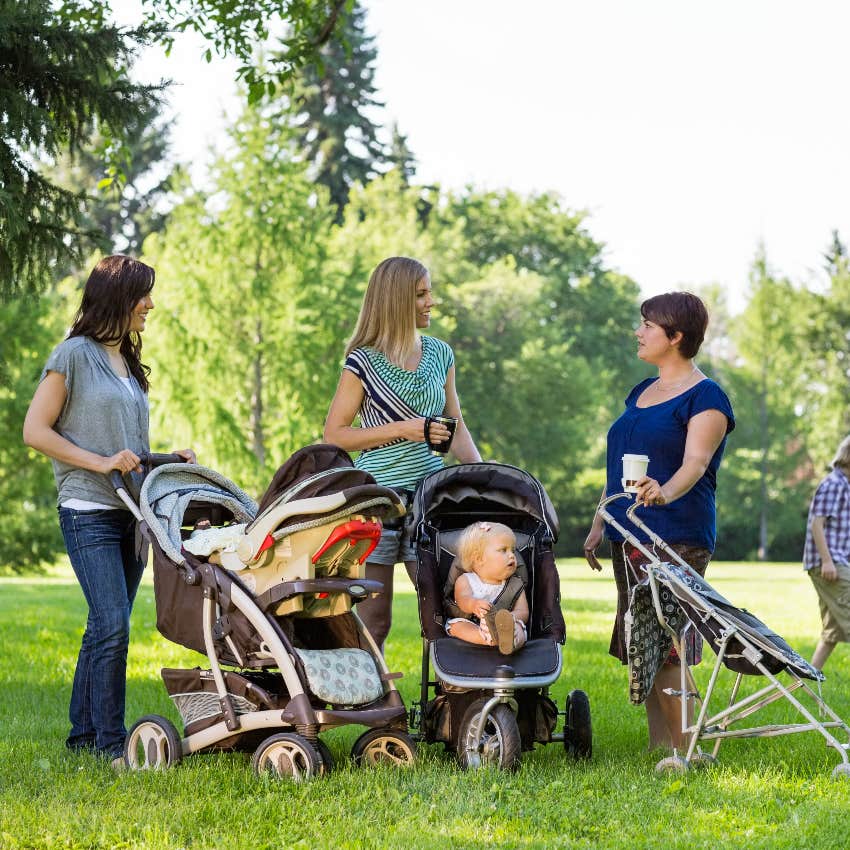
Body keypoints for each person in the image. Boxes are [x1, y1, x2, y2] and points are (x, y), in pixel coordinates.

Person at [23, 255, 196, 766]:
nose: (150, 305)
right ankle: (109, 742)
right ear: (116, 297)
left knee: (106, 624)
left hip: (131, 510)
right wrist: (98, 462)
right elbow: (36, 431)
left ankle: (81, 737)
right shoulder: (72, 354)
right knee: (112, 623)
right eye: (142, 294)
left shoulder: (126, 360)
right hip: (87, 507)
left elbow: (125, 446)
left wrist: (168, 456)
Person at [583, 291, 735, 752]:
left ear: (676, 336)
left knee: (670, 642)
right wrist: (600, 519)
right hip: (628, 532)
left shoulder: (707, 397)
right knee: (640, 640)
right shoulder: (641, 392)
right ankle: (659, 747)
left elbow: (695, 463)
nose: (639, 332)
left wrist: (663, 491)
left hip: (676, 534)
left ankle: (688, 749)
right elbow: (620, 469)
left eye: (648, 325)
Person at [323, 256, 481, 650]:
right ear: (396, 300)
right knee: (376, 620)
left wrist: (482, 476)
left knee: (444, 610)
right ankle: (375, 704)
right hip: (376, 502)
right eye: (421, 294)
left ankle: (449, 702)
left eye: (430, 292)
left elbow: (455, 424)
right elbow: (334, 436)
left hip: (430, 499)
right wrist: (404, 430)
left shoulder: (441, 354)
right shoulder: (362, 362)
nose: (432, 302)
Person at [444, 521, 528, 655]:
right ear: (478, 559)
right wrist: (473, 605)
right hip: (473, 623)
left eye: (512, 550)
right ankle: (486, 638)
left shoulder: (515, 584)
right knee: (457, 626)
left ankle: (510, 642)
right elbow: (462, 600)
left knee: (520, 629)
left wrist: (510, 618)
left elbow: (523, 611)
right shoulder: (466, 580)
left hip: (505, 626)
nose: (512, 555)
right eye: (503, 550)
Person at [802, 435, 850, 671]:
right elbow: (816, 524)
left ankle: (809, 682)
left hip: (837, 562)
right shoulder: (834, 484)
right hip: (829, 565)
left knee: (832, 632)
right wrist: (827, 561)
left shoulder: (845, 485)